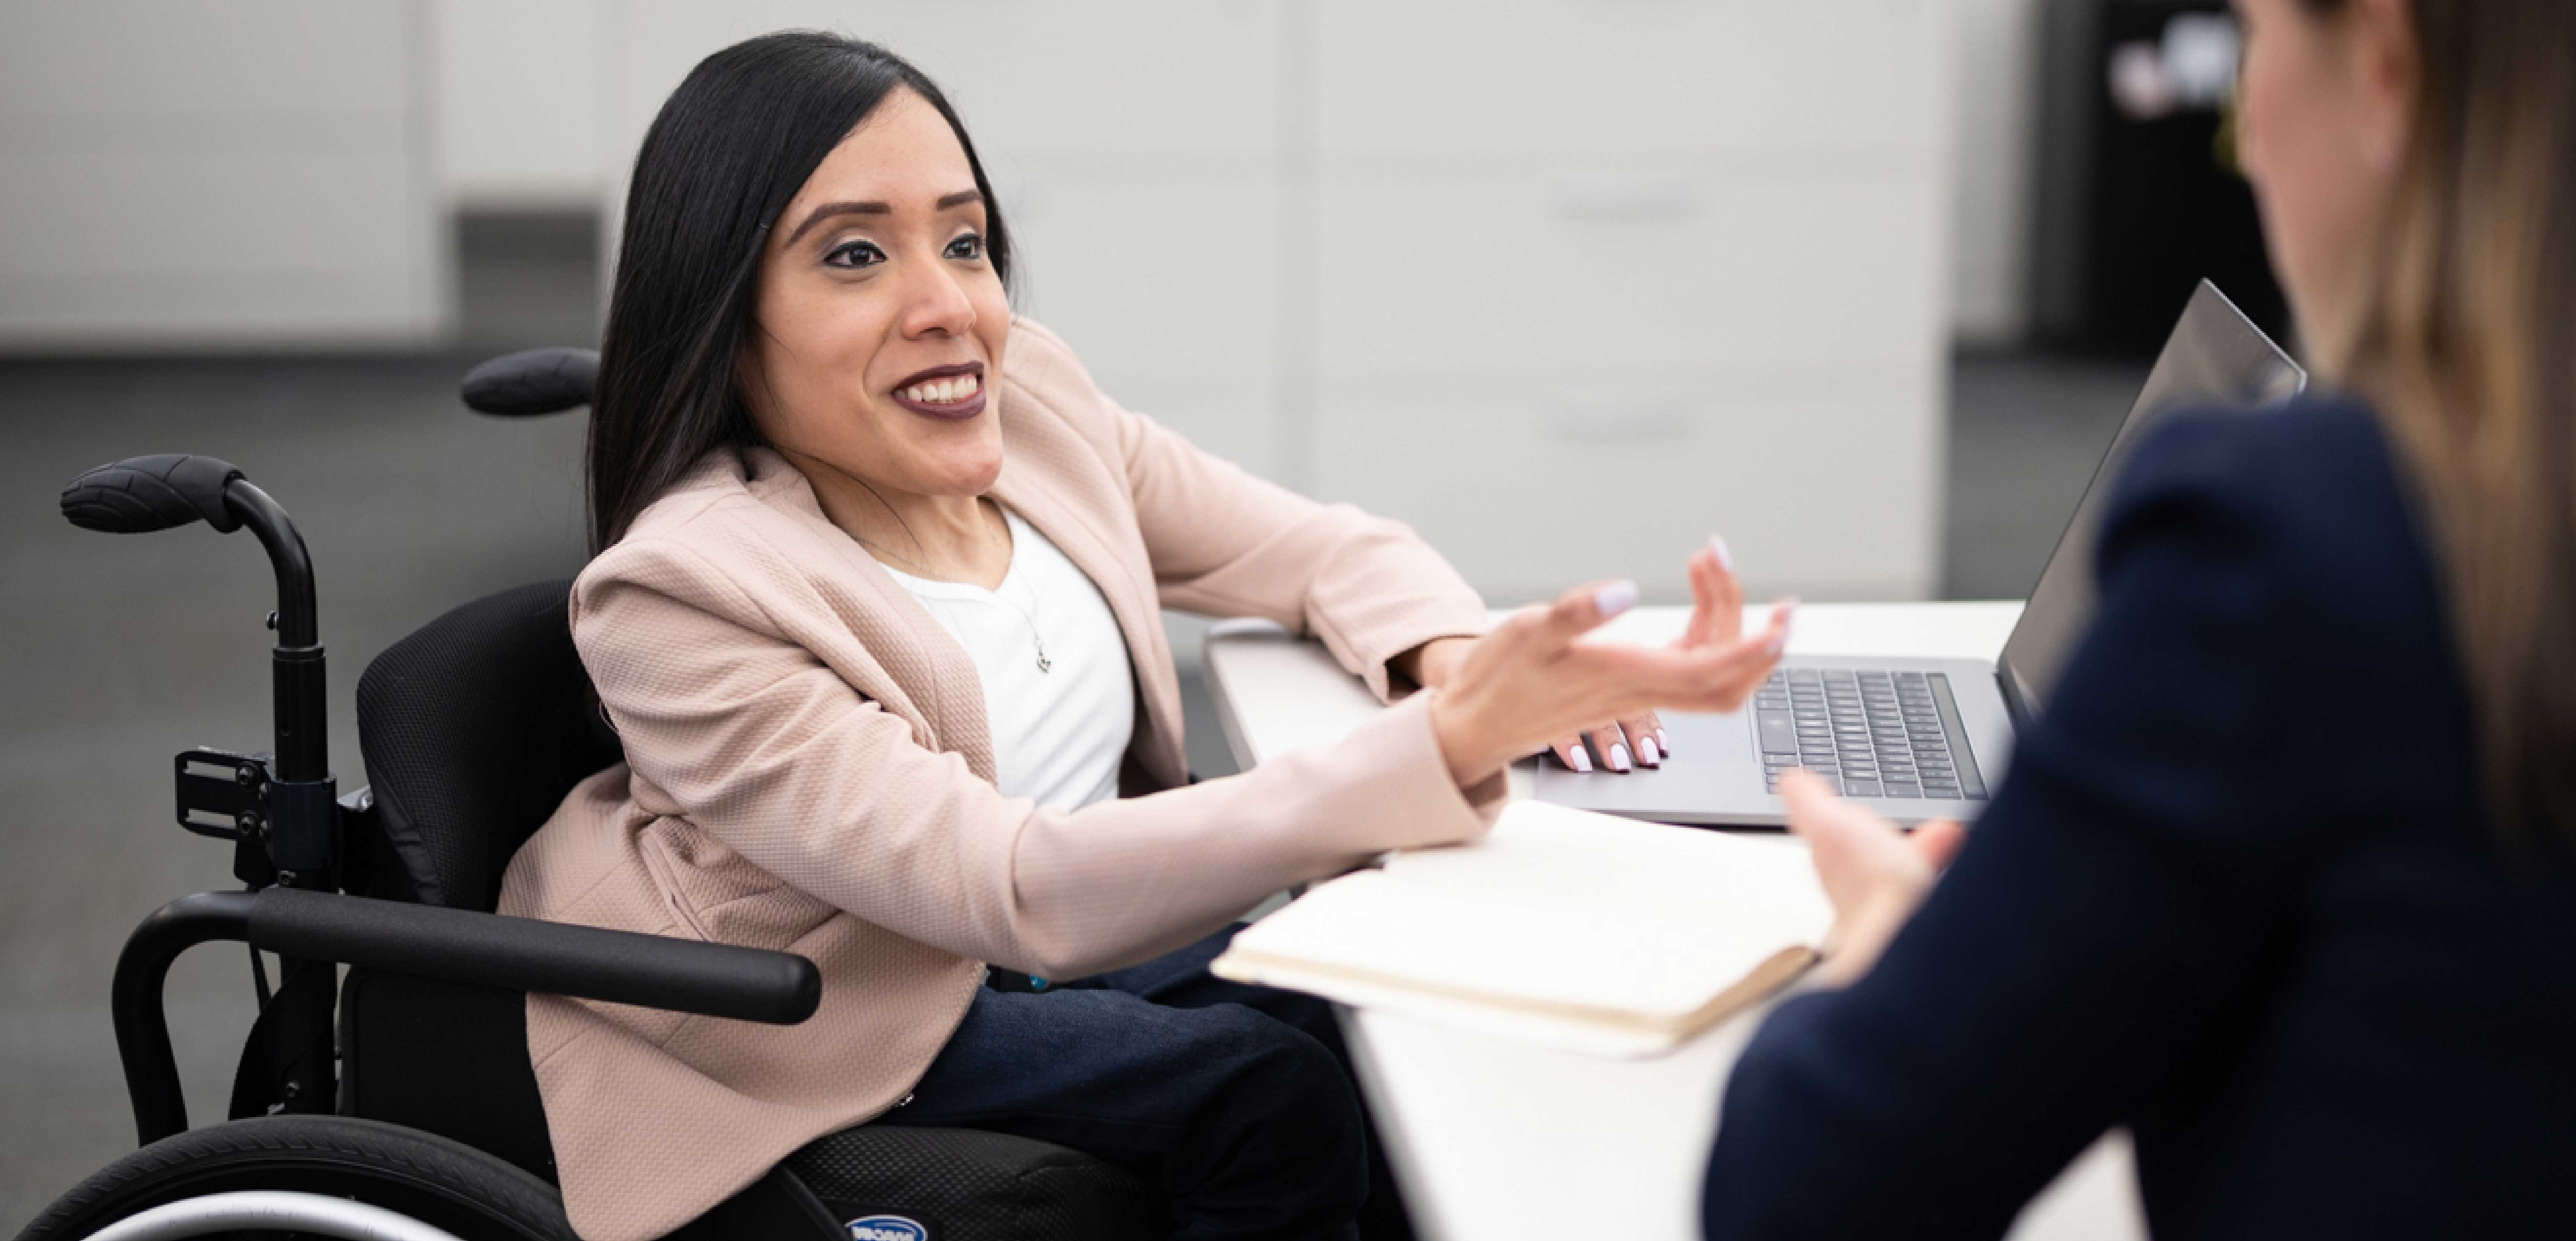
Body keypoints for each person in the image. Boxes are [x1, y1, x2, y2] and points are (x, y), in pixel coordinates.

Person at [497, 30, 1792, 1241]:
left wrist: (1455, 663)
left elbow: (1320, 551)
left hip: (1056, 937)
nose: (949, 306)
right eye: (853, 256)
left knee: (1406, 1005)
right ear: (727, 320)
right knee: (1266, 1092)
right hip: (840, 1003)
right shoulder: (681, 591)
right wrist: (1445, 746)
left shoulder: (1035, 404)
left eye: (965, 241)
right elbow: (1014, 889)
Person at [1707, 0, 2576, 1237]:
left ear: (2384, 66)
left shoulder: (2293, 548)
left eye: (2253, 43)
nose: (2250, 132)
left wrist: (1890, 942)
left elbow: (1798, 1197)